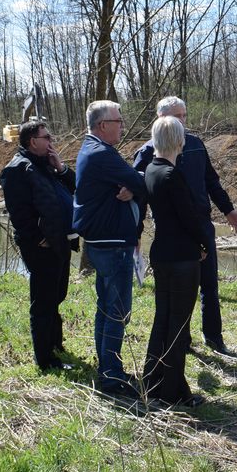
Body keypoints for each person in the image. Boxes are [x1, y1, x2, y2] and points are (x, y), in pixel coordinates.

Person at [133, 96, 237, 356]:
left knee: (209, 286)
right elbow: (139, 195)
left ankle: (214, 338)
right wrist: (136, 232)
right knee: (179, 293)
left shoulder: (194, 144)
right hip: (172, 232)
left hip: (201, 225)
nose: (183, 122)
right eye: (177, 117)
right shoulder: (148, 152)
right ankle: (181, 340)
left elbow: (211, 181)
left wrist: (228, 210)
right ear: (160, 119)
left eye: (184, 116)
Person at [73, 100, 148, 397]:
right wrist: (137, 184)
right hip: (112, 244)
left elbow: (129, 181)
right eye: (118, 121)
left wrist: (132, 185)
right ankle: (112, 377)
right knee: (117, 311)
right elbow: (139, 179)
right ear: (103, 125)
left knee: (105, 307)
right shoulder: (102, 153)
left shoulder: (92, 150)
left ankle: (107, 366)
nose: (122, 125)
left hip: (101, 242)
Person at [140, 116, 212, 407]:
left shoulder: (151, 170)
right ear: (179, 141)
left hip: (162, 254)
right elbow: (189, 219)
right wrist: (204, 243)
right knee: (179, 326)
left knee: (163, 320)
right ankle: (174, 392)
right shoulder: (172, 175)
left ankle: (153, 382)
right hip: (182, 258)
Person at [0, 120, 78, 371]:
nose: (52, 142)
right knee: (43, 303)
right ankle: (45, 360)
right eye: (47, 137)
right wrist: (37, 237)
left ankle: (55, 344)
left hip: (60, 243)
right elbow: (19, 212)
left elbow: (75, 188)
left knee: (57, 296)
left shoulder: (45, 166)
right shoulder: (18, 169)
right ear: (33, 141)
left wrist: (61, 168)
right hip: (42, 247)